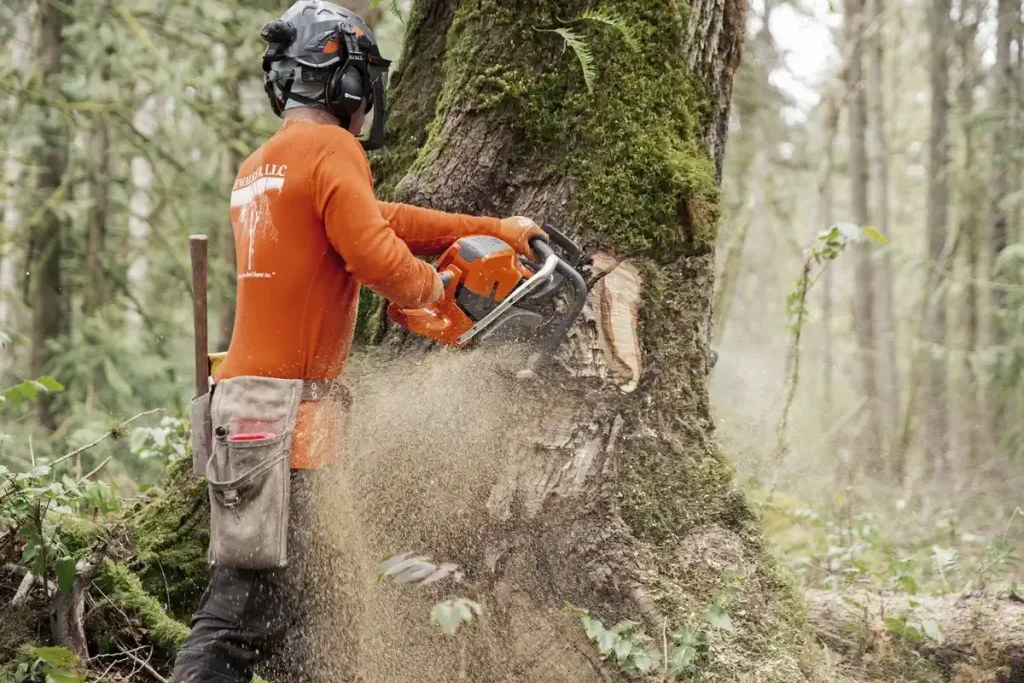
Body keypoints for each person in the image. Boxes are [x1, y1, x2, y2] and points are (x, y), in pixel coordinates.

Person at [170, 2, 545, 681]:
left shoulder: (263, 164)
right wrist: (435, 291)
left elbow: (379, 218)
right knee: (238, 610)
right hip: (284, 421)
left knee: (304, 602)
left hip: (251, 409)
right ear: (345, 83)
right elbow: (374, 250)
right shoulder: (332, 149)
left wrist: (492, 225)